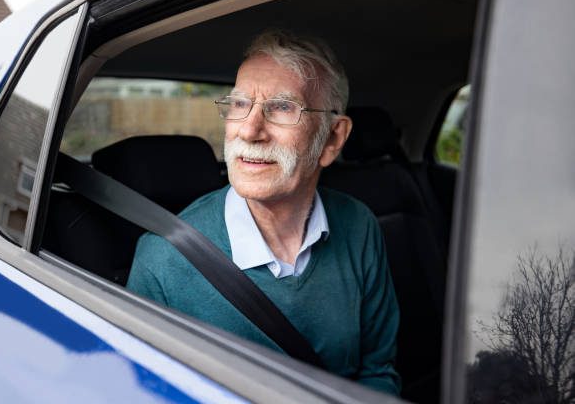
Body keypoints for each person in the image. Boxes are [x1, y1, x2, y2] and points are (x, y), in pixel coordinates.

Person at [127, 30, 400, 395]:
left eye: (283, 107)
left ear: (332, 139)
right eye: (240, 104)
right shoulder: (162, 260)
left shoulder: (359, 225)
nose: (250, 130)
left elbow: (378, 372)